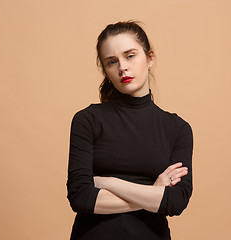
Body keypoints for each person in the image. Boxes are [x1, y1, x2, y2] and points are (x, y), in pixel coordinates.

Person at [66, 20, 193, 240]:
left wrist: (108, 182)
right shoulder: (87, 120)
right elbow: (81, 196)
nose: (122, 67)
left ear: (150, 57)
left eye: (130, 55)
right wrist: (154, 193)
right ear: (105, 69)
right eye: (111, 62)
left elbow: (176, 201)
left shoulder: (177, 129)